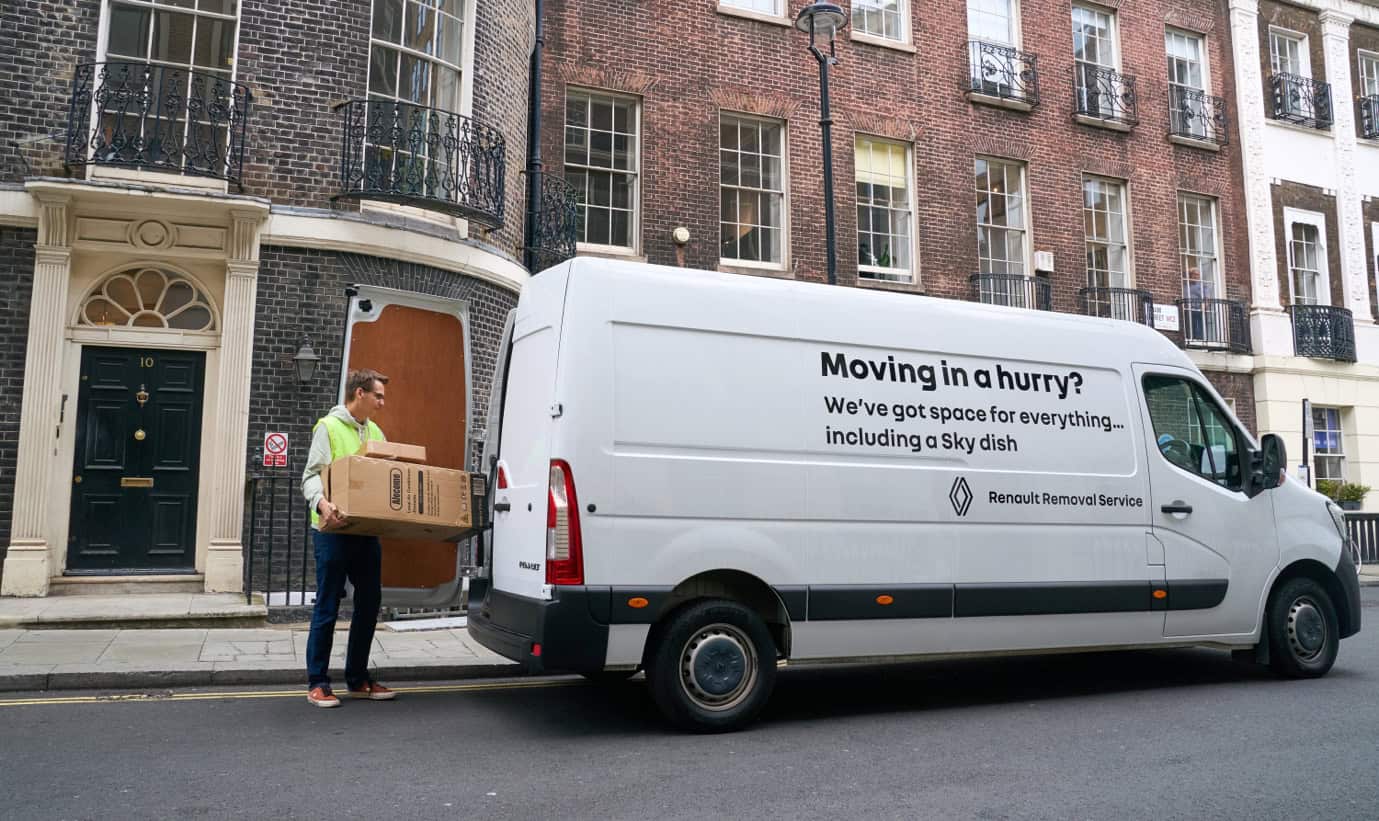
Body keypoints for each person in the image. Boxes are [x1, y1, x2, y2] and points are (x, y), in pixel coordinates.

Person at [301, 368, 397, 708]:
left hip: (365, 532)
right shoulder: (328, 428)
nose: (383, 402)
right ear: (360, 393)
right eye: (378, 395)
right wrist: (323, 504)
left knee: (369, 604)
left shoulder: (376, 432)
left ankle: (357, 679)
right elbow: (310, 476)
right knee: (328, 604)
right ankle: (318, 682)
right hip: (332, 530)